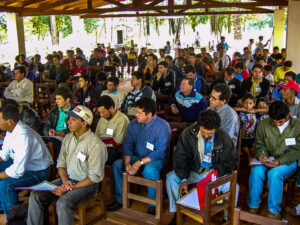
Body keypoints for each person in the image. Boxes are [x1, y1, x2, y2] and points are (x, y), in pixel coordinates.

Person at [27, 105, 107, 225]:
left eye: (73, 119)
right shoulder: (68, 138)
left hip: (87, 185)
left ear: (84, 123)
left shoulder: (95, 144)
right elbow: (61, 163)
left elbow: (94, 177)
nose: (68, 121)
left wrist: (69, 188)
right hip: (68, 180)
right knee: (36, 194)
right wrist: (64, 181)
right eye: (69, 118)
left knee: (63, 203)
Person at [166, 109, 239, 225]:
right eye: (204, 132)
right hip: (194, 171)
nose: (206, 135)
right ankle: (176, 212)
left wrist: (217, 169)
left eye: (210, 133)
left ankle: (227, 217)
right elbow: (181, 157)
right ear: (199, 126)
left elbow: (233, 159)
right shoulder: (188, 133)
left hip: (214, 173)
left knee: (234, 186)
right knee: (171, 178)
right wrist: (184, 178)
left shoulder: (223, 136)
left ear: (216, 129)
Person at [107, 97, 171, 214]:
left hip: (156, 159)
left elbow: (160, 151)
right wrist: (127, 163)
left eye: (139, 113)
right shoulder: (133, 125)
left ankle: (153, 204)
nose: (136, 115)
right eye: (136, 112)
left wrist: (138, 163)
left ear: (149, 114)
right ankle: (120, 200)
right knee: (117, 165)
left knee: (149, 170)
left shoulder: (163, 127)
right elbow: (127, 146)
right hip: (138, 156)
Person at [247, 101, 300, 219]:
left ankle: (274, 210)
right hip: (268, 158)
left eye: (280, 122)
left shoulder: (297, 126)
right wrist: (261, 155)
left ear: (288, 116)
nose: (277, 124)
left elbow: (297, 150)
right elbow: (259, 144)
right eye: (274, 122)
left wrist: (281, 161)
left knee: (274, 174)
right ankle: (253, 205)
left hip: (288, 161)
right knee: (256, 172)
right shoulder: (264, 124)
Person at [0, 104, 52, 217]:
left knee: (5, 184)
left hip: (39, 171)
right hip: (26, 166)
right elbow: (3, 154)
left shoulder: (23, 135)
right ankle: (2, 204)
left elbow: (18, 171)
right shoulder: (10, 131)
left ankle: (12, 218)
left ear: (9, 122)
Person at [95, 95, 129, 165]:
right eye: (100, 112)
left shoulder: (122, 119)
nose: (101, 115)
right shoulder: (102, 118)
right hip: (101, 147)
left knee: (102, 156)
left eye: (103, 112)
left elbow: (117, 143)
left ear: (111, 108)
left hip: (116, 150)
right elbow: (96, 136)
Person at [235, 93, 257, 162]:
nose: (248, 105)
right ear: (242, 103)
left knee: (253, 154)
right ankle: (249, 164)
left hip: (252, 138)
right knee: (248, 155)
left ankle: (253, 166)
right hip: (242, 139)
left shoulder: (255, 112)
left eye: (250, 103)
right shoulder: (239, 112)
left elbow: (267, 109)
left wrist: (256, 110)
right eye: (246, 103)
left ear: (254, 103)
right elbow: (231, 109)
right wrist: (240, 109)